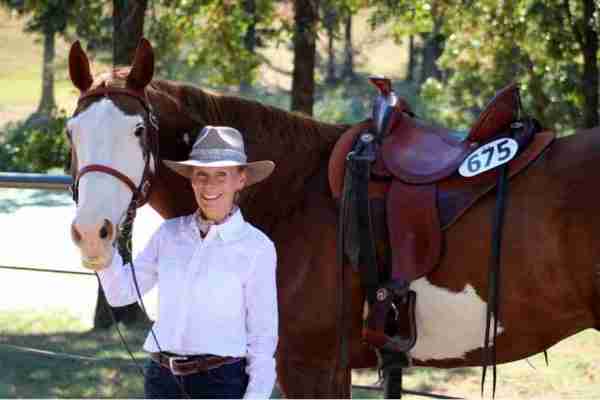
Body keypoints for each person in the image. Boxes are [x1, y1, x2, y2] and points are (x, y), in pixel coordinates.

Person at [97, 126, 278, 399]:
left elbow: (262, 338)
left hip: (221, 382)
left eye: (222, 175)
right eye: (201, 175)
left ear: (241, 180)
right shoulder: (169, 234)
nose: (209, 185)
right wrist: (99, 253)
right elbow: (121, 292)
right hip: (162, 379)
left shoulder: (257, 248)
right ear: (191, 179)